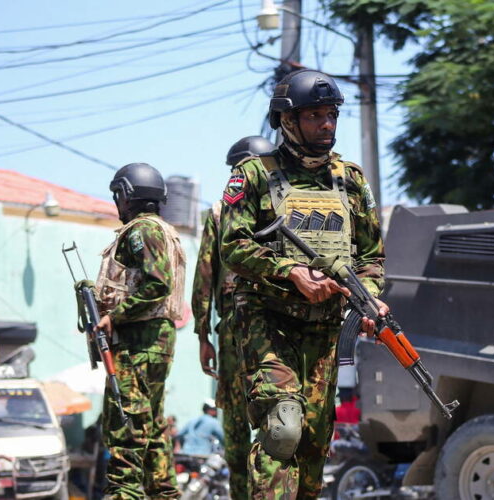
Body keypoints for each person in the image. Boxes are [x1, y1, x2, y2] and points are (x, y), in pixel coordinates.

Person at [219, 69, 387, 499]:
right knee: (283, 429)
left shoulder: (350, 179)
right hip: (267, 320)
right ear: (287, 121)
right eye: (315, 115)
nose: (327, 124)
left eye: (331, 115)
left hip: (326, 327)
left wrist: (368, 303)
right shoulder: (254, 175)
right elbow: (232, 246)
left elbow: (370, 256)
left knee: (313, 445)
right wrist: (289, 271)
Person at [85, 162, 187, 500]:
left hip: (140, 342)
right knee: (152, 427)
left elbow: (158, 284)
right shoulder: (165, 231)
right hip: (155, 341)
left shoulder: (142, 230)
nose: (117, 203)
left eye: (118, 196)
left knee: (125, 425)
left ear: (128, 195)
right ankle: (163, 493)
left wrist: (115, 317)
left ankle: (125, 494)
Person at [192, 134, 275, 500]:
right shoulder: (285, 207)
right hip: (276, 332)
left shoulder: (220, 211)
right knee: (276, 423)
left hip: (236, 331)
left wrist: (202, 335)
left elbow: (204, 276)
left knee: (240, 428)